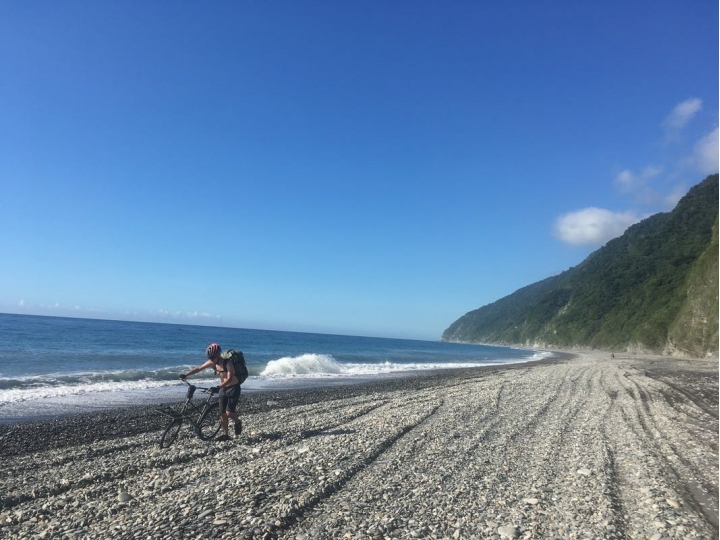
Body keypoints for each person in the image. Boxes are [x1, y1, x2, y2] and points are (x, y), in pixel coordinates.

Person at [180, 343, 242, 442]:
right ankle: (225, 435)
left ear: (218, 355)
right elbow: (199, 369)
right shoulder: (212, 362)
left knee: (229, 413)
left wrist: (218, 387)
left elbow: (230, 378)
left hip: (233, 388)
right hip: (223, 389)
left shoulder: (228, 363)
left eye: (213, 357)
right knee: (222, 414)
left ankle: (238, 422)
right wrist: (185, 374)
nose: (211, 360)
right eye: (210, 358)